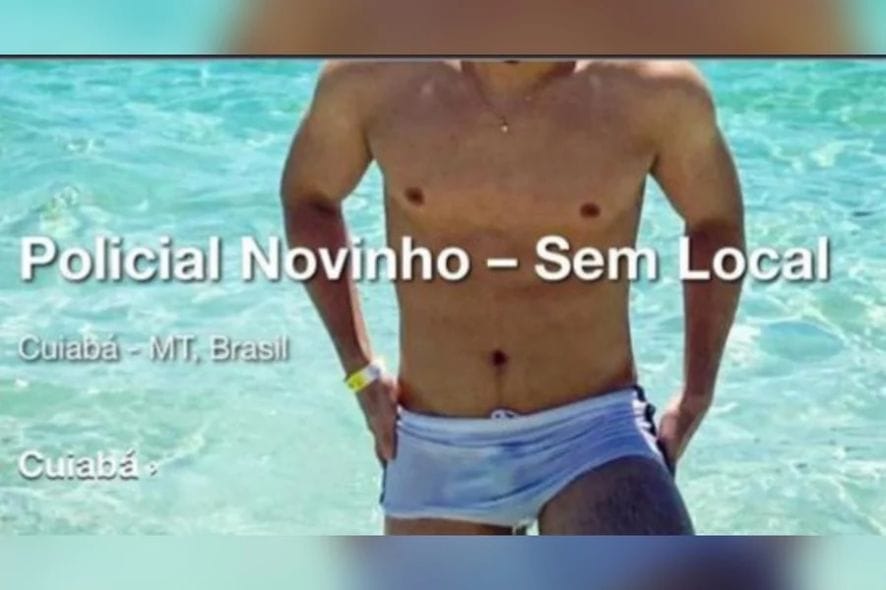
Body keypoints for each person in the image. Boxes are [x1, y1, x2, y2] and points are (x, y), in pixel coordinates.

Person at [280, 60, 745, 534]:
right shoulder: (372, 80)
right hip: (437, 439)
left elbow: (714, 222)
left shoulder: (655, 91)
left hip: (591, 431)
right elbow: (309, 197)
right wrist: (359, 369)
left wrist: (697, 394)